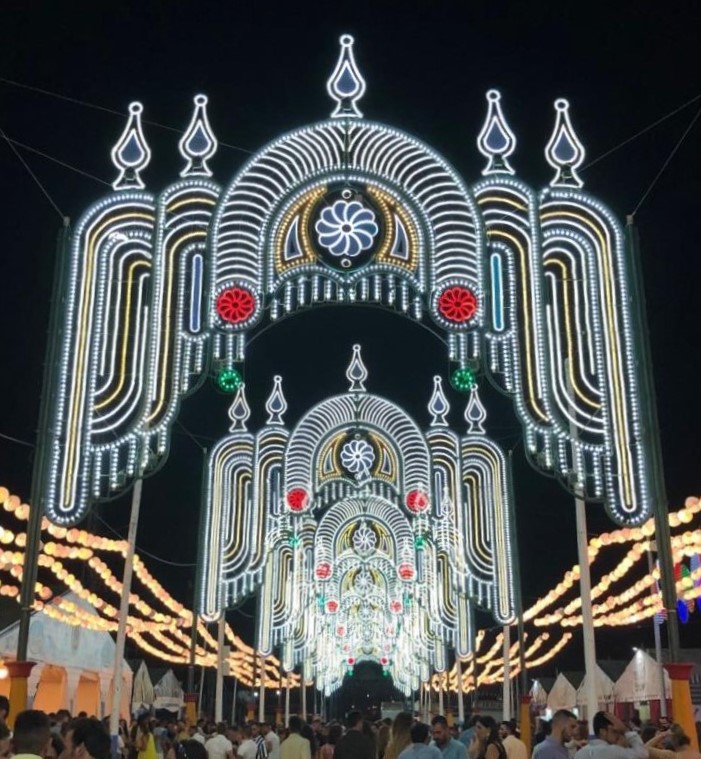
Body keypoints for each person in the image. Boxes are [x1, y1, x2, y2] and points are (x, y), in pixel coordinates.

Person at [573, 713, 647, 759]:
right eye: (614, 731)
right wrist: (626, 730)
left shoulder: (580, 753)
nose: (617, 735)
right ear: (603, 732)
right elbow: (643, 754)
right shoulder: (614, 751)